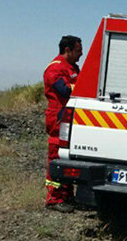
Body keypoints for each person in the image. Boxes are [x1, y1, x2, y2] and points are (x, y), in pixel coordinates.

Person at [43, 35, 82, 212]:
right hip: (58, 117)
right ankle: (54, 198)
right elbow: (64, 90)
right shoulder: (55, 69)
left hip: (71, 117)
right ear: (68, 50)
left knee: (69, 156)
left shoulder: (73, 68)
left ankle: (67, 195)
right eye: (78, 51)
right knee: (56, 157)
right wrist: (82, 85)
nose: (81, 55)